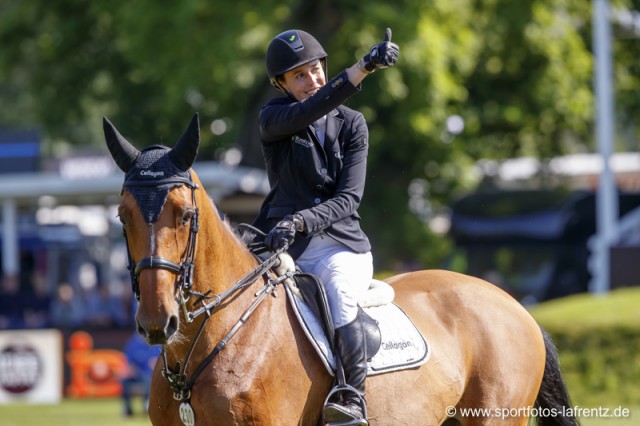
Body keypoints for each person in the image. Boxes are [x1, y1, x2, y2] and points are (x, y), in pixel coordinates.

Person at [253, 28, 399, 425]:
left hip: (339, 247)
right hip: (281, 245)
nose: (312, 80)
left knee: (337, 293)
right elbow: (308, 111)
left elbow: (348, 200)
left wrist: (300, 220)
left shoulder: (353, 125)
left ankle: (352, 396)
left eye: (316, 70)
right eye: (299, 76)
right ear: (281, 84)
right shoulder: (275, 118)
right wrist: (362, 68)